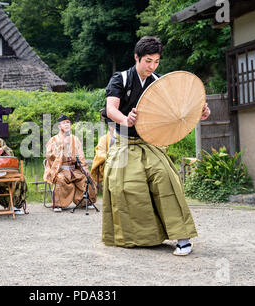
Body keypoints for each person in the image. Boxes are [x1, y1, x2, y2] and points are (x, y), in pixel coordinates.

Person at [103, 36, 211, 255]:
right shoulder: (121, 79)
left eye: (156, 62)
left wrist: (198, 113)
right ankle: (139, 238)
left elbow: (175, 111)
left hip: (152, 143)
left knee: (167, 180)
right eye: (148, 61)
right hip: (125, 142)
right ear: (137, 58)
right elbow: (110, 109)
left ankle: (183, 238)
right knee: (126, 187)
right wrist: (125, 119)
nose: (152, 66)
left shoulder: (160, 83)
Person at [43, 114, 97, 212]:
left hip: (73, 169)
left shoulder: (75, 139)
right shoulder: (53, 140)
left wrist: (84, 168)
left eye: (68, 122)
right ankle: (58, 205)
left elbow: (81, 155)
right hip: (60, 170)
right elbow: (49, 156)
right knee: (60, 179)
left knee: (85, 178)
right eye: (64, 123)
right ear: (59, 126)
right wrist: (61, 146)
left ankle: (86, 202)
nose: (67, 125)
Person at [91, 109, 115, 185]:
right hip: (110, 165)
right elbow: (100, 153)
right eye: (112, 125)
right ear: (109, 126)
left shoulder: (125, 137)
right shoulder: (104, 139)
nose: (114, 128)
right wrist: (111, 157)